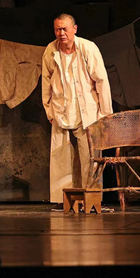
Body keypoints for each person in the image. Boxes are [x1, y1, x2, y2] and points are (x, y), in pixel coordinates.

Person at [41, 13, 113, 206]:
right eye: (57, 29)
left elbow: (101, 81)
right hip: (61, 110)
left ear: (74, 29)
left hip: (86, 111)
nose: (61, 33)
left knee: (89, 157)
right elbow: (46, 82)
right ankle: (64, 200)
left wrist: (104, 114)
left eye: (65, 29)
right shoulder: (51, 50)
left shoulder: (88, 48)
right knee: (61, 158)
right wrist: (49, 110)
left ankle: (91, 199)